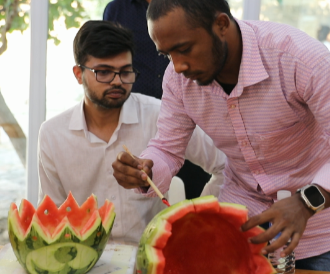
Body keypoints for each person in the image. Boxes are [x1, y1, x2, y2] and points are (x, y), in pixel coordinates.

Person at [111, 0, 330, 272]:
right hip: (238, 227)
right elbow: (166, 148)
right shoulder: (178, 80)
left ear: (221, 24)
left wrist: (307, 201)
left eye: (184, 49)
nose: (178, 66)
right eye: (167, 55)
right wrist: (146, 170)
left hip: (317, 231)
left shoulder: (299, 58)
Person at [37, 20, 226, 243]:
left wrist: (198, 217)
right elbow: (52, 214)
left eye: (126, 72)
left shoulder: (160, 115)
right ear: (79, 74)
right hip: (85, 261)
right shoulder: (52, 134)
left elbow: (227, 165)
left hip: (151, 257)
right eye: (104, 72)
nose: (118, 82)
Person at [103, 0, 214, 199]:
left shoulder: (193, 1)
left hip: (189, 119)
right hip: (139, 120)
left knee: (195, 190)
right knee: (142, 187)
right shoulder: (117, 10)